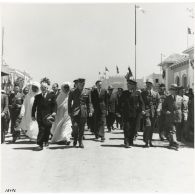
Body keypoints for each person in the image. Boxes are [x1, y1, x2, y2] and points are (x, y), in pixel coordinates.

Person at [32, 78, 57, 150]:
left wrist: (54, 112)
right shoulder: (37, 97)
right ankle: (40, 144)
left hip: (49, 116)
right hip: (40, 116)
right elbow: (34, 107)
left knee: (47, 129)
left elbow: (54, 105)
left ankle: (46, 140)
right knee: (41, 129)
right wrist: (33, 115)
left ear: (47, 88)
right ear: (40, 88)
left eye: (45, 88)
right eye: (42, 88)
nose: (44, 89)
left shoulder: (51, 96)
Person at [68, 78, 93, 148]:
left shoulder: (87, 91)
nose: (82, 85)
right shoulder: (72, 91)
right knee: (75, 126)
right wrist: (69, 111)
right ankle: (75, 138)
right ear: (77, 84)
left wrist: (90, 111)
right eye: (80, 84)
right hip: (75, 111)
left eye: (83, 84)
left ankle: (80, 141)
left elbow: (89, 102)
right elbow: (69, 102)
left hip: (83, 111)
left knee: (82, 127)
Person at [120, 79, 145, 148]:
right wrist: (120, 111)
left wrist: (142, 110)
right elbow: (120, 103)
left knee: (133, 128)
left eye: (129, 85)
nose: (128, 86)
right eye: (127, 85)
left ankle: (130, 140)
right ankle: (126, 141)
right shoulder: (124, 93)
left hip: (135, 114)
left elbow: (141, 103)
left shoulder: (137, 93)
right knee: (127, 128)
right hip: (126, 114)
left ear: (133, 86)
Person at [163, 84, 185, 150]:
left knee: (175, 131)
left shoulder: (180, 98)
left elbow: (183, 108)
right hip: (170, 116)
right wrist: (166, 111)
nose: (174, 91)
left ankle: (171, 143)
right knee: (173, 130)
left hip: (178, 117)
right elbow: (163, 107)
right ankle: (175, 143)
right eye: (172, 90)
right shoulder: (167, 98)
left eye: (175, 90)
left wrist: (184, 115)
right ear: (170, 91)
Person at [141, 79, 160, 147]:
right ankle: (146, 141)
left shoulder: (156, 93)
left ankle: (150, 141)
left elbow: (159, 102)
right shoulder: (143, 93)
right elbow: (141, 102)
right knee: (148, 125)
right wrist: (143, 110)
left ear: (152, 85)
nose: (148, 85)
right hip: (146, 112)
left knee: (151, 127)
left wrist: (158, 109)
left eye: (150, 84)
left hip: (154, 112)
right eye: (147, 84)